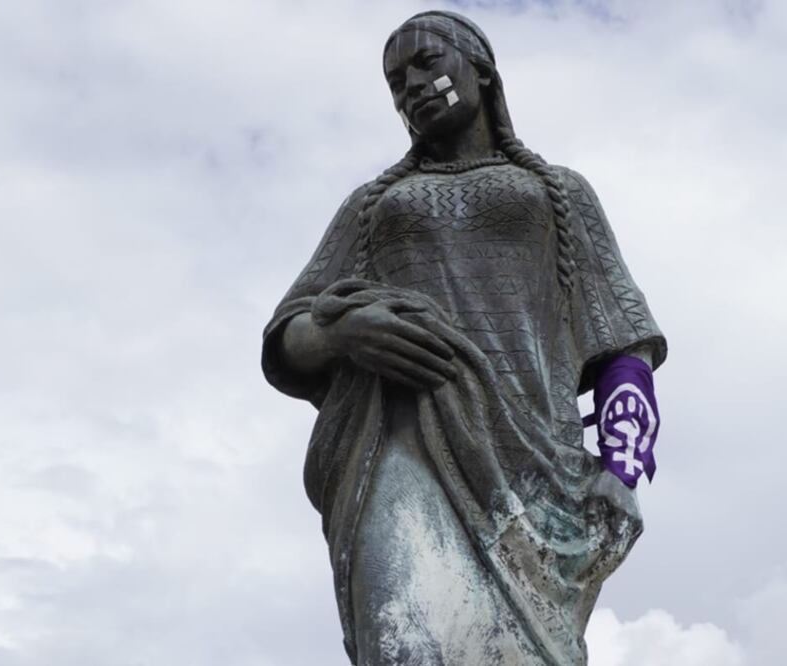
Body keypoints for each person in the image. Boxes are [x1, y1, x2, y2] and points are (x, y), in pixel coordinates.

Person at [262, 10, 666, 666]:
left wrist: (622, 467)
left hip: (532, 465)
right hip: (400, 443)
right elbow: (287, 341)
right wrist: (341, 331)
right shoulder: (374, 206)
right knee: (403, 646)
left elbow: (620, 335)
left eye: (427, 64)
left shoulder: (555, 192)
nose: (411, 87)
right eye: (395, 81)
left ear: (478, 70)